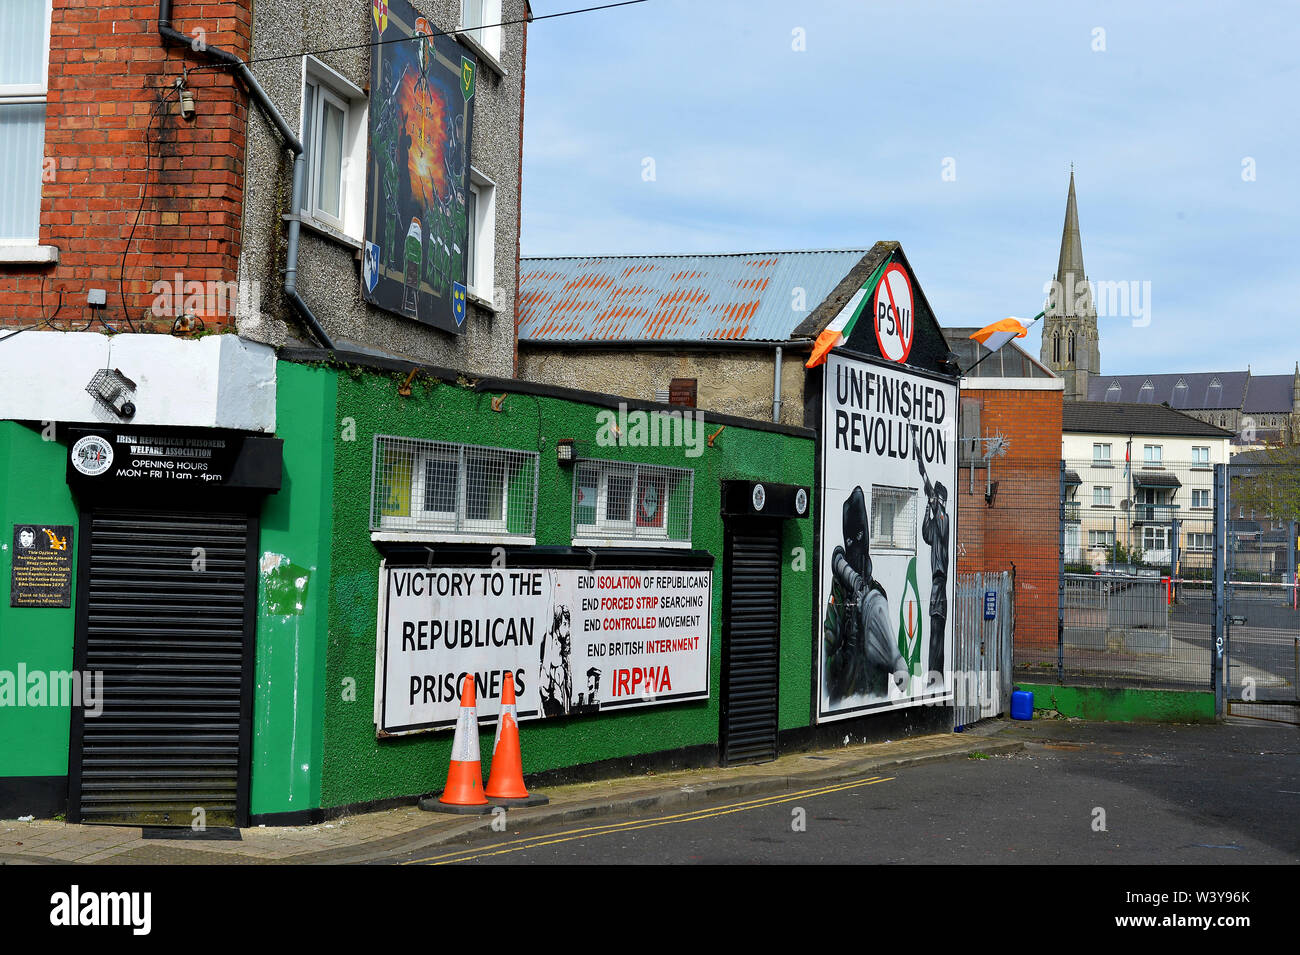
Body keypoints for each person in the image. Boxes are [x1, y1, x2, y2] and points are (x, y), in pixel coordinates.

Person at [917, 455, 950, 687]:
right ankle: (933, 676)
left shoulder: (945, 519)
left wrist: (934, 505)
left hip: (940, 583)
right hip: (935, 585)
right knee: (933, 635)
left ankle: (934, 677)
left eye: (937, 499)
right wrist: (927, 510)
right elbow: (927, 535)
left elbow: (938, 520)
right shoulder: (937, 521)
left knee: (937, 635)